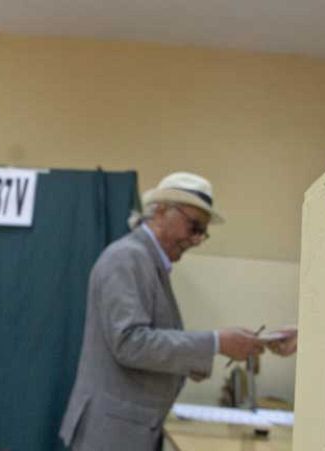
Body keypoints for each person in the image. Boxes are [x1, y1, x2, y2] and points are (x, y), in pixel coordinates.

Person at [59, 172, 297, 450]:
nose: (196, 239)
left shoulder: (146, 262)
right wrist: (217, 342)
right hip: (112, 433)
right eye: (193, 226)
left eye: (202, 232)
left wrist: (204, 354)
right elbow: (129, 343)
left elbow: (150, 344)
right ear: (160, 211)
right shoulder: (126, 258)